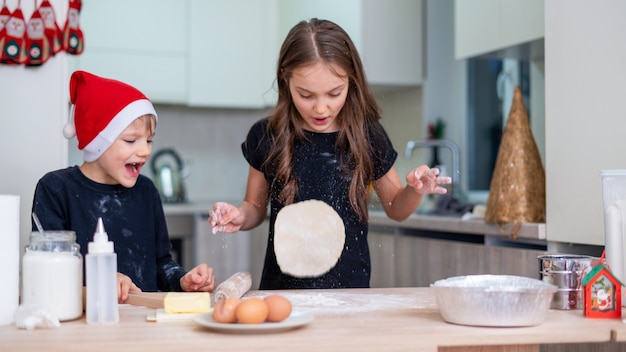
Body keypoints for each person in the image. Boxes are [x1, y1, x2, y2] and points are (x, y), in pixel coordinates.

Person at [209, 18, 451, 290]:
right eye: (306, 95)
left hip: (351, 293)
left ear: (351, 82)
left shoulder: (367, 135)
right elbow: (254, 206)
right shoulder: (267, 135)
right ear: (285, 80)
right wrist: (239, 216)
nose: (321, 108)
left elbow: (396, 208)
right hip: (282, 294)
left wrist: (414, 189)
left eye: (334, 93)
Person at [32, 70, 215, 302]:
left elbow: (161, 263)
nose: (146, 151)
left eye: (149, 140)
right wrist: (101, 281)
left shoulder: (146, 191)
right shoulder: (56, 190)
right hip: (85, 325)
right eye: (131, 140)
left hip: (145, 325)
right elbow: (51, 273)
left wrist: (182, 280)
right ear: (98, 141)